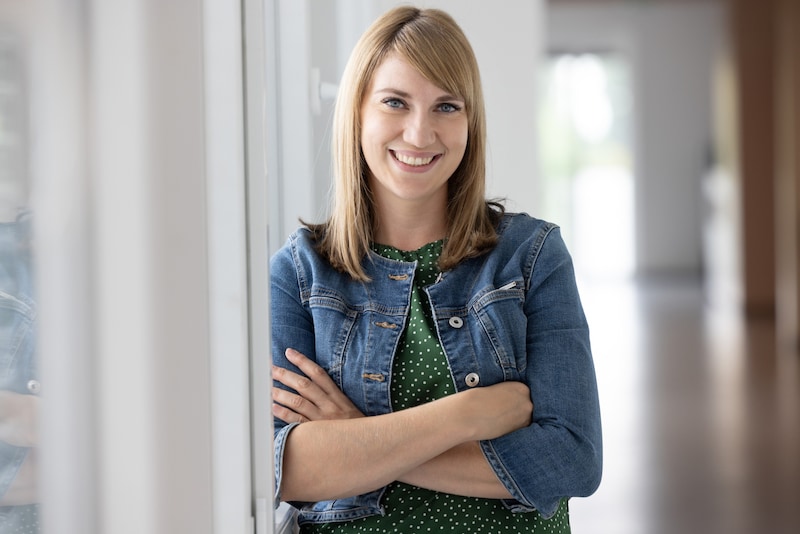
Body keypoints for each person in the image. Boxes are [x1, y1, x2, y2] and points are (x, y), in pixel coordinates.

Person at [270, 6, 602, 532]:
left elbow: (573, 459)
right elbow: (288, 468)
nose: (420, 133)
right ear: (358, 111)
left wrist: (356, 437)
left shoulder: (532, 255)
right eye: (395, 102)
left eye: (446, 106)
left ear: (471, 122)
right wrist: (464, 416)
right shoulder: (300, 271)